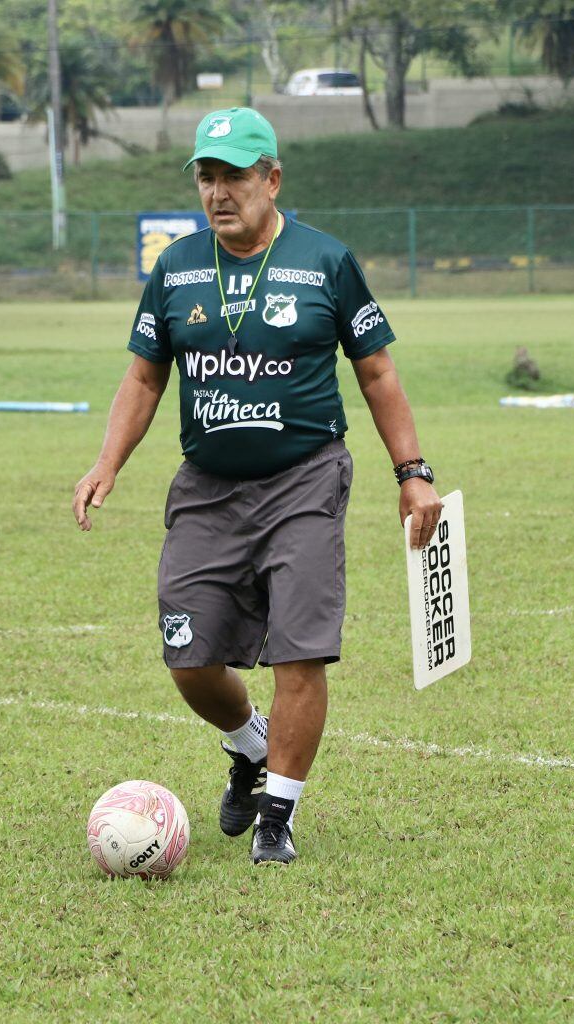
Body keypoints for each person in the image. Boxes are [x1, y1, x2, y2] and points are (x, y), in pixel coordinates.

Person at [71, 107, 442, 867]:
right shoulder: (177, 268)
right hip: (207, 488)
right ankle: (249, 746)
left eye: (234, 176)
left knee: (299, 652)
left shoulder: (326, 261)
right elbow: (144, 378)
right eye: (206, 178)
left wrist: (413, 474)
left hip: (305, 480)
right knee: (188, 654)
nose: (219, 192)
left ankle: (278, 815)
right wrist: (108, 461)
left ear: (272, 179)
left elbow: (377, 373)